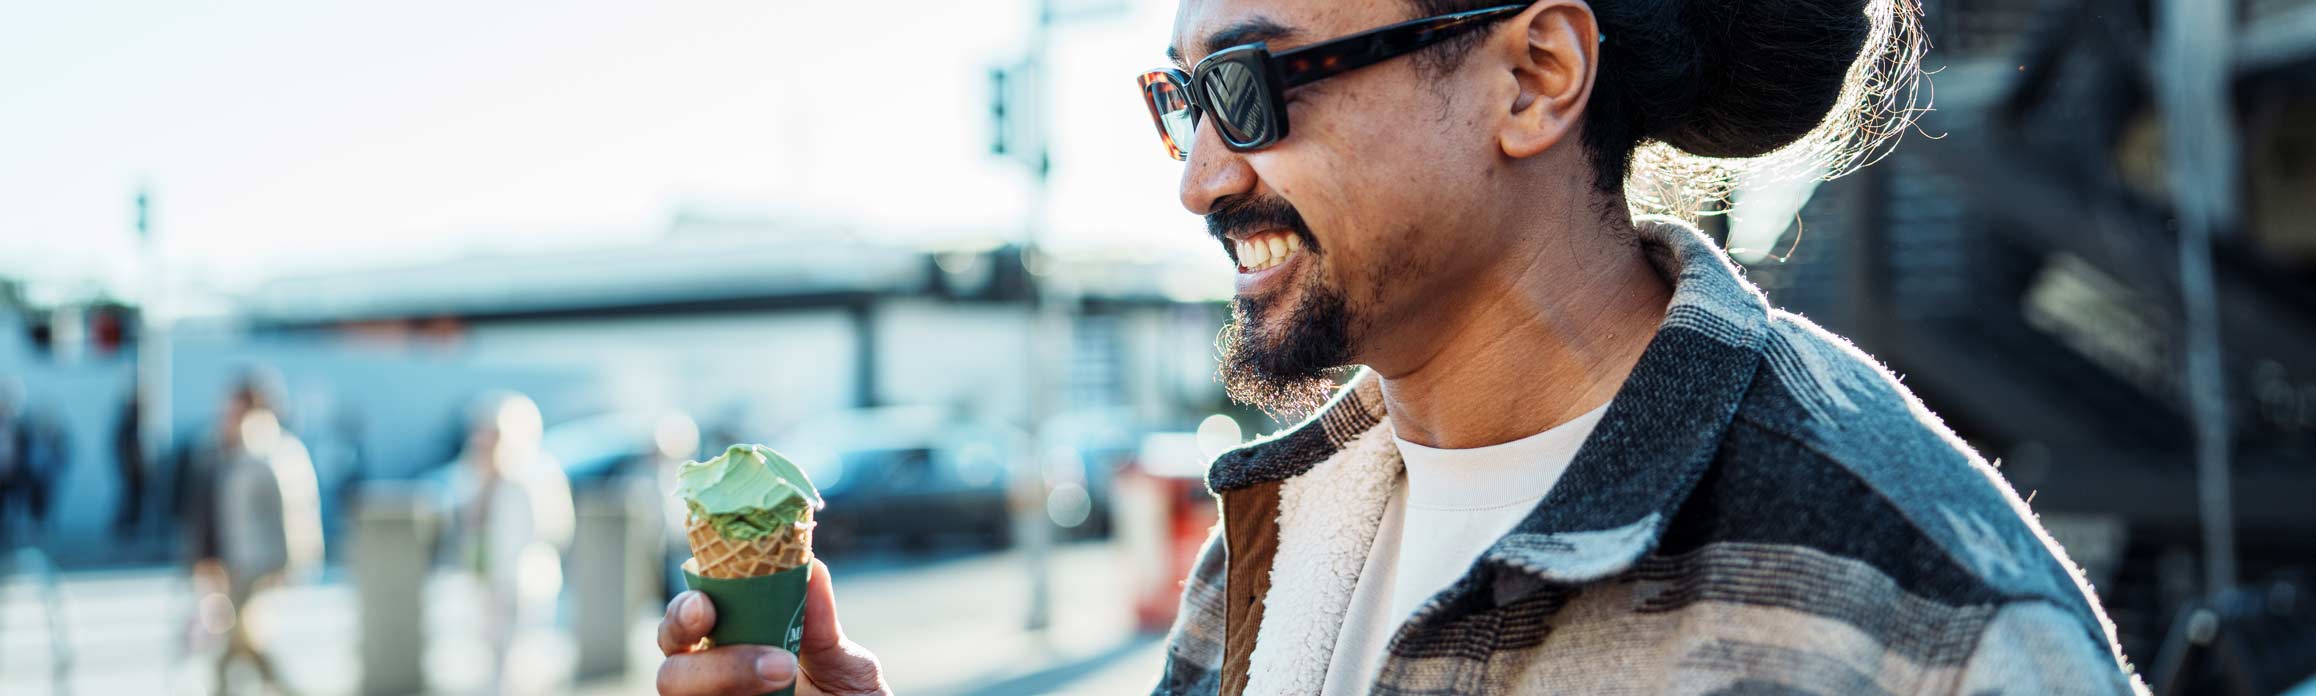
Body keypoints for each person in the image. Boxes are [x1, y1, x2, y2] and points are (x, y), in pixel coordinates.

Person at [659, 0, 2143, 693]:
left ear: (1534, 77)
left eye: (1250, 84)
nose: (1198, 177)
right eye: (1181, 100)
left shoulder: (1928, 629)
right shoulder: (1273, 528)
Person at [194, 371, 324, 695]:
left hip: (261, 567)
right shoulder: (230, 452)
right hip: (239, 565)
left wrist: (290, 563)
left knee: (241, 645)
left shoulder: (270, 451)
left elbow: (293, 513)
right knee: (240, 646)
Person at [441, 392, 574, 694]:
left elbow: (555, 525)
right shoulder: (474, 473)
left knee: (528, 653)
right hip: (490, 576)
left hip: (529, 577)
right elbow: (463, 523)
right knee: (492, 650)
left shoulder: (537, 470)